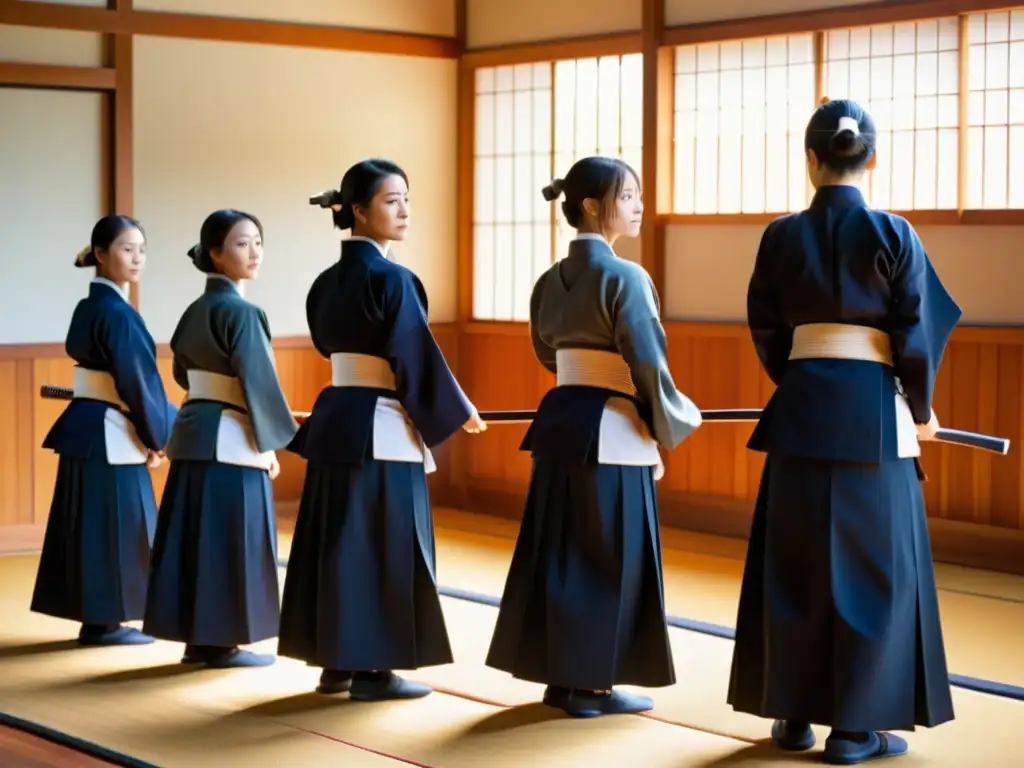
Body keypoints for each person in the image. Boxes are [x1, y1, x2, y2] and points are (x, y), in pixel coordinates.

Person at [726, 98, 960, 765]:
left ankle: (792, 713)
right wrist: (919, 405)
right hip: (872, 418)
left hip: (800, 412)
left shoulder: (780, 235)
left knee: (794, 563)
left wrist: (801, 380)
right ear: (873, 158)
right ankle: (855, 729)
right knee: (870, 572)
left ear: (810, 160)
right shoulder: (894, 233)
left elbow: (765, 327)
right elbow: (915, 331)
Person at [484, 155, 703, 718]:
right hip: (613, 423)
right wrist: (672, 419)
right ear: (590, 206)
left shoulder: (547, 283)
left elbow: (545, 353)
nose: (638, 206)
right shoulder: (627, 278)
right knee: (610, 555)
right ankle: (593, 684)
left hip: (562, 419)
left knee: (561, 551)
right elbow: (648, 363)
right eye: (627, 196)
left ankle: (563, 679)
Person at [277, 158, 484, 701]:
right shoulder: (394, 279)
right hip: (381, 426)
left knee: (337, 543)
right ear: (359, 211)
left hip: (338, 417)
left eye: (407, 199)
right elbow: (413, 356)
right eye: (392, 200)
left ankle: (336, 663)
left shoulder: (325, 283)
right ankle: (373, 670)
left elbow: (330, 348)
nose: (404, 210)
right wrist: (457, 408)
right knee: (383, 545)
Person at [143, 209, 297, 669]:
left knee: (196, 538)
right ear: (215, 253)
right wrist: (269, 446)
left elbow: (178, 372)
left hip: (193, 432)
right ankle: (221, 641)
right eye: (241, 243)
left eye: (257, 242)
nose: (253, 252)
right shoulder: (244, 312)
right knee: (231, 540)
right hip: (231, 436)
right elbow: (258, 383)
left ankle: (199, 638)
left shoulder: (195, 310)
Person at [31, 215, 176, 646]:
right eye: (126, 249)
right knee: (117, 525)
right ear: (99, 254)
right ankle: (105, 621)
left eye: (142, 250)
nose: (137, 258)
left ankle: (98, 619)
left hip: (89, 425)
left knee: (91, 526)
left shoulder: (91, 306)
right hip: (112, 426)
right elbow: (137, 383)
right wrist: (158, 437)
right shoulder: (116, 312)